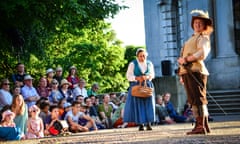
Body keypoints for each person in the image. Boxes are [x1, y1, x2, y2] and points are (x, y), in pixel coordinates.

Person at [177, 9, 213, 135]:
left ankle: (200, 126)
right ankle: (204, 125)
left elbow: (202, 53)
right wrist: (181, 74)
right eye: (196, 22)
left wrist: (186, 59)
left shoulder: (203, 37)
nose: (197, 24)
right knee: (194, 100)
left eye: (200, 23)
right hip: (187, 72)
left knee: (198, 99)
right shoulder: (191, 39)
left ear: (204, 25)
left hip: (196, 71)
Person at [123, 48, 155, 131]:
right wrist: (137, 78)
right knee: (138, 104)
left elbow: (152, 74)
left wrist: (147, 77)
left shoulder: (149, 63)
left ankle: (149, 123)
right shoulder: (133, 64)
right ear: (137, 56)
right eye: (140, 56)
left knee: (148, 104)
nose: (142, 57)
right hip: (136, 85)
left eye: (144, 56)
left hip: (147, 84)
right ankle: (141, 124)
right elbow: (128, 76)